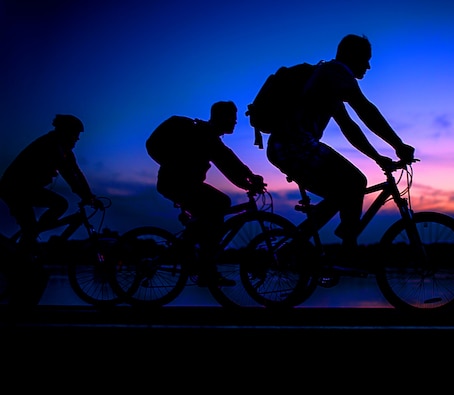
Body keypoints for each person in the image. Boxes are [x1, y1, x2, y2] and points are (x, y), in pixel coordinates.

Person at [266, 34, 415, 260]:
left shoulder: (328, 80)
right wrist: (398, 144)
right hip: (293, 145)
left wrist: (377, 157)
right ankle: (348, 250)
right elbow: (365, 109)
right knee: (354, 182)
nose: (368, 66)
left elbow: (350, 128)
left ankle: (294, 248)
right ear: (351, 56)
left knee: (345, 191)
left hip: (289, 146)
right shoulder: (336, 73)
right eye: (365, 59)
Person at [150, 100, 265, 287]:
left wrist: (247, 181)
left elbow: (227, 162)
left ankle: (193, 251)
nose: (235, 123)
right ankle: (205, 269)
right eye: (232, 119)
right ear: (223, 117)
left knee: (214, 210)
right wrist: (249, 180)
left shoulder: (208, 135)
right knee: (219, 205)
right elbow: (227, 161)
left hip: (179, 183)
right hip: (176, 183)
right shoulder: (206, 134)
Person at [0, 114, 101, 257]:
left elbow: (78, 174)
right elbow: (69, 175)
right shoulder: (51, 145)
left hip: (25, 188)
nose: (77, 139)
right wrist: (85, 196)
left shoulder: (65, 152)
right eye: (75, 135)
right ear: (65, 133)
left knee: (43, 219)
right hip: (15, 188)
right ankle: (23, 251)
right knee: (58, 205)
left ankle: (30, 240)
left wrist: (90, 195)